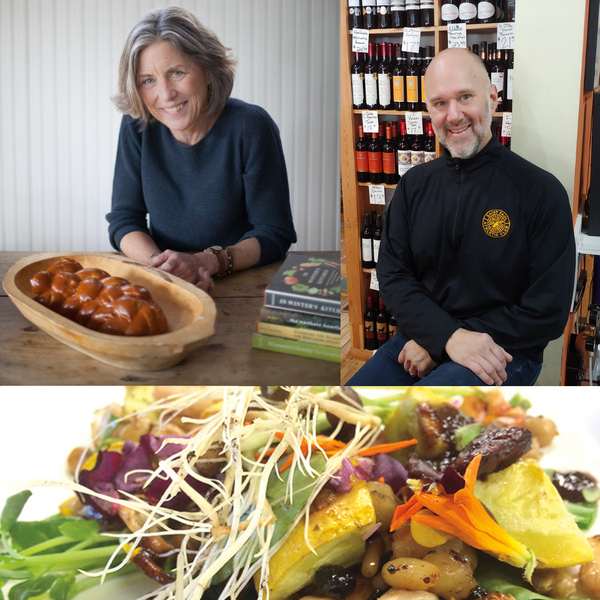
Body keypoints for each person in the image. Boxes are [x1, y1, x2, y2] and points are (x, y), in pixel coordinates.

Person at [348, 48, 575, 386]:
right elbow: (394, 276)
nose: (453, 115)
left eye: (465, 97)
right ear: (428, 109)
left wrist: (444, 343)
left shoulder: (541, 191)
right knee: (339, 412)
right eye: (440, 103)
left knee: (413, 428)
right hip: (419, 340)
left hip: (504, 348)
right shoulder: (414, 185)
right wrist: (445, 338)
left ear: (493, 97)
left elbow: (547, 311)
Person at [106, 6, 296, 293]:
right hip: (167, 283)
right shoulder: (137, 125)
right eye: (148, 80)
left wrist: (209, 261)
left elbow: (274, 233)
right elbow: (124, 219)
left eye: (177, 72)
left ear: (207, 70)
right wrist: (166, 268)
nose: (166, 94)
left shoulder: (252, 126)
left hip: (240, 282)